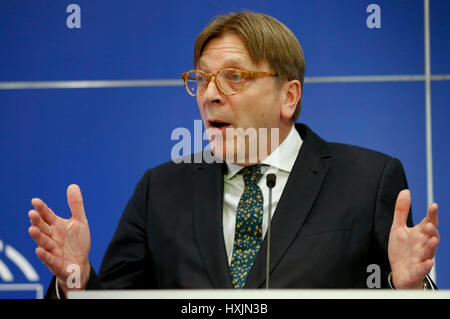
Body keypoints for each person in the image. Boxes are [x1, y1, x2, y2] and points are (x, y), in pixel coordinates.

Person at [28, 11, 440, 298]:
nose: (209, 96)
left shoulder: (368, 181)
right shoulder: (161, 189)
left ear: (288, 96)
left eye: (233, 78)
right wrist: (75, 281)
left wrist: (410, 291)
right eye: (202, 80)